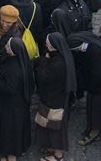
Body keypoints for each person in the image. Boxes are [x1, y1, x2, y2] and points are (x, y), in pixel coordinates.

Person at [35, 32, 75, 161]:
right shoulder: (64, 57)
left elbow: (43, 77)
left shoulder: (57, 63)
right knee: (55, 125)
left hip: (54, 99)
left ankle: (58, 155)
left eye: (47, 43)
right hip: (60, 97)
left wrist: (44, 61)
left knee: (56, 127)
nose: (46, 44)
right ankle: (53, 149)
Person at [0, 37, 34, 161]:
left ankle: (11, 157)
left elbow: (9, 89)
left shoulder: (14, 68)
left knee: (11, 130)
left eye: (8, 46)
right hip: (21, 103)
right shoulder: (23, 62)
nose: (6, 47)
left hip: (11, 105)